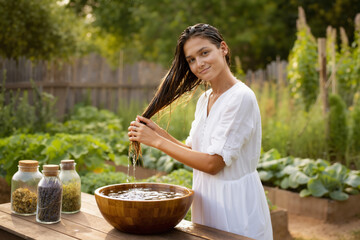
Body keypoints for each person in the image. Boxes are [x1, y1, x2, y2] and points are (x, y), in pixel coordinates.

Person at [128, 23, 273, 240]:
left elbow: (213, 164)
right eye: (191, 60)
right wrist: (157, 133)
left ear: (223, 48)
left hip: (235, 206)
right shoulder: (205, 99)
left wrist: (157, 143)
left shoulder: (240, 97)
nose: (199, 63)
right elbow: (194, 151)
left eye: (204, 53)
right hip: (207, 200)